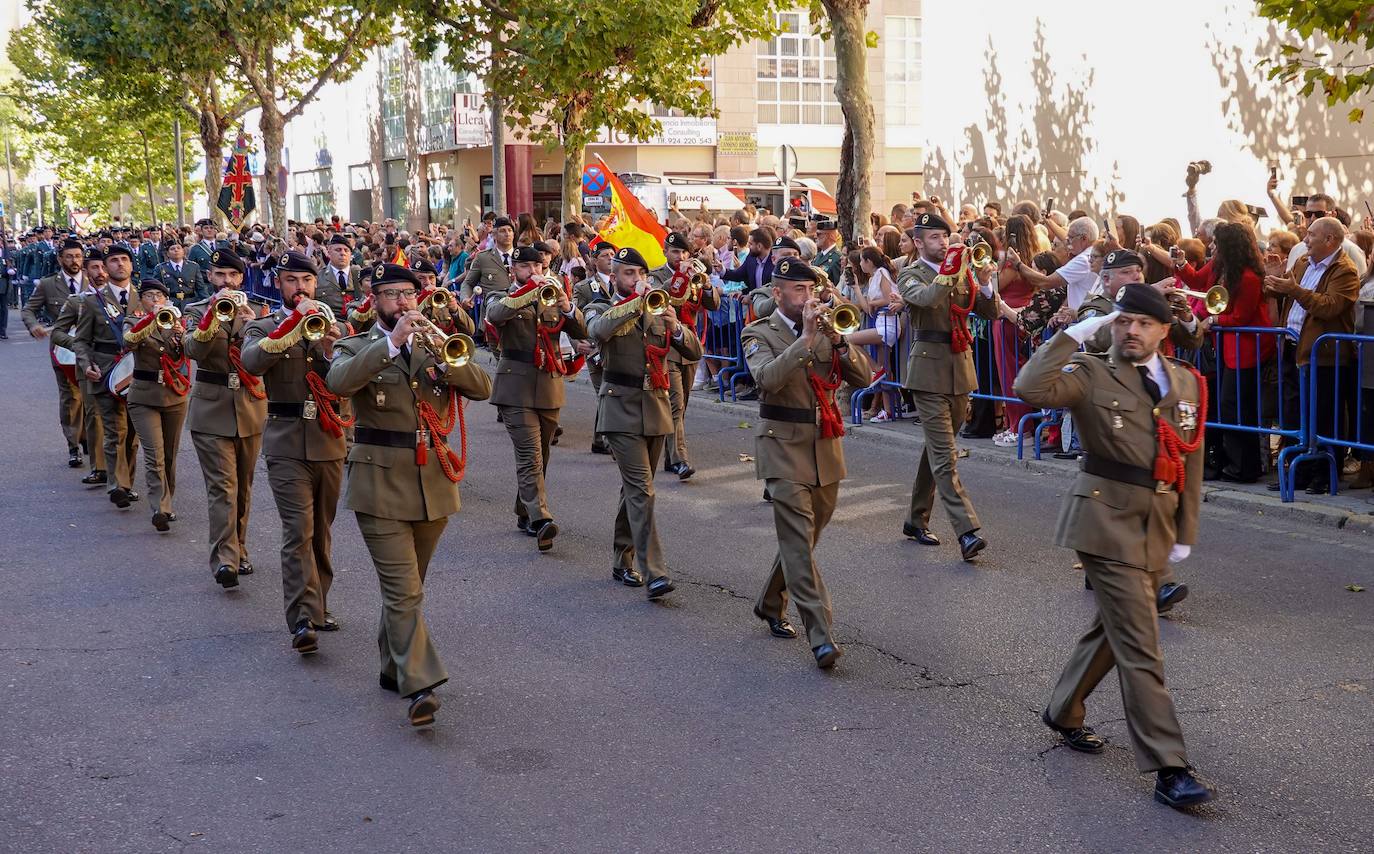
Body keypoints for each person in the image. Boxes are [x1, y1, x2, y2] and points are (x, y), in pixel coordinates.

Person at [1014, 284, 1216, 811]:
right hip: (1104, 521)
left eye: (1143, 323)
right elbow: (1030, 388)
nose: (1131, 330)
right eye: (1123, 321)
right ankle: (1169, 766)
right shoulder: (1089, 371)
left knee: (1116, 627)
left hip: (1158, 522)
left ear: (1163, 330)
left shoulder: (1187, 383)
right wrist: (1072, 333)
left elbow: (1190, 463)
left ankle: (1064, 709)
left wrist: (1185, 534)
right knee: (1141, 641)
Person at [326, 262, 493, 726]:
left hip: (431, 481)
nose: (403, 302)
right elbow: (338, 383)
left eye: (408, 294)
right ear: (374, 299)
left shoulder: (437, 341)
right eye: (392, 294)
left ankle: (390, 664)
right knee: (403, 591)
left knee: (409, 589)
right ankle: (420, 683)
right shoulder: (355, 344)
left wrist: (446, 359)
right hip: (378, 482)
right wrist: (392, 343)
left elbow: (482, 387)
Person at [742, 258, 871, 669]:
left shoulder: (828, 326)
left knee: (805, 539)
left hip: (824, 445)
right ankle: (822, 635)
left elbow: (864, 379)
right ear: (777, 293)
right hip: (781, 445)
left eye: (810, 289)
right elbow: (767, 379)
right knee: (798, 542)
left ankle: (768, 601)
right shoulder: (757, 332)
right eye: (798, 290)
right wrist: (807, 338)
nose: (807, 297)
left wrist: (836, 341)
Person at [240, 251, 349, 656]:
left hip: (328, 438)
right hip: (285, 441)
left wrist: (331, 345)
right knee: (298, 530)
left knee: (322, 529)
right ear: (278, 284)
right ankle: (301, 617)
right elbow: (251, 362)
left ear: (315, 284)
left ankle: (318, 603)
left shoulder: (336, 325)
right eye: (290, 280)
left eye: (305, 281)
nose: (299, 288)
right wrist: (291, 325)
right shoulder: (263, 326)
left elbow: (349, 380)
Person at [586, 247, 702, 597]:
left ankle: (622, 558)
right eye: (628, 274)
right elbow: (598, 331)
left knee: (635, 490)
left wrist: (676, 327)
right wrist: (634, 303)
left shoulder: (657, 308)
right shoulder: (602, 305)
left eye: (640, 274)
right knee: (642, 491)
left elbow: (693, 352)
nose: (636, 280)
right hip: (619, 408)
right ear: (615, 276)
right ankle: (655, 572)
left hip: (656, 408)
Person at [899, 213, 999, 560]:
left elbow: (988, 312)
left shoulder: (959, 270)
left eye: (946, 236)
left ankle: (915, 519)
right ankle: (967, 531)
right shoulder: (910, 274)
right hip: (927, 372)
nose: (943, 243)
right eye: (935, 238)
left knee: (937, 451)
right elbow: (927, 299)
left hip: (960, 367)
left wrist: (984, 283)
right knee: (946, 456)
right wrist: (952, 270)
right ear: (918, 242)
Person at [485, 246, 587, 550]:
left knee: (541, 454)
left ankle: (524, 509)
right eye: (525, 266)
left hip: (549, 383)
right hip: (515, 385)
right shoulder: (501, 295)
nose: (533, 271)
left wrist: (567, 306)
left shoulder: (553, 293)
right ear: (513, 269)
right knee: (529, 454)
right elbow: (495, 315)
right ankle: (541, 519)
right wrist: (530, 290)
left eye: (538, 265)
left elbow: (580, 329)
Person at [183, 249, 268, 590]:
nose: (226, 282)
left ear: (241, 279)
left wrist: (253, 327)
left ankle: (240, 548)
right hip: (210, 408)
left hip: (249, 406)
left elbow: (263, 359)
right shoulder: (194, 312)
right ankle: (224, 559)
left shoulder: (259, 312)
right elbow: (193, 350)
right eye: (219, 276)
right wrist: (214, 319)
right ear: (209, 278)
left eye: (232, 276)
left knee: (243, 487)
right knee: (223, 489)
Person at [1264, 216, 1361, 493]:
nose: (1305, 240)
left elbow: (1330, 306)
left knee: (1324, 415)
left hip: (1324, 355)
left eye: (1311, 235)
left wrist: (1293, 289)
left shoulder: (1345, 270)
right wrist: (1271, 278)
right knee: (1294, 414)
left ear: (1330, 240)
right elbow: (1281, 291)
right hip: (1293, 347)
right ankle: (1298, 470)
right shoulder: (1303, 262)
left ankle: (1325, 473)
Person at [1172, 222, 1273, 483]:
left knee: (1237, 407)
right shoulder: (1220, 267)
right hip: (1228, 347)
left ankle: (1245, 466)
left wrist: (1214, 322)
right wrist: (1181, 263)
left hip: (1247, 348)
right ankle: (1233, 462)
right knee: (1229, 406)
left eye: (1217, 242)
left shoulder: (1249, 277)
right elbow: (1195, 279)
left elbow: (1242, 316)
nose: (1212, 246)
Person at [64, 245, 141, 508]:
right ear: (105, 268)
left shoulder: (144, 298)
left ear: (131, 265)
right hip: (106, 372)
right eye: (113, 261)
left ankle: (127, 482)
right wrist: (86, 365)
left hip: (138, 374)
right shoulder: (92, 300)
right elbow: (81, 341)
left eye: (124, 260)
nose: (120, 264)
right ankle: (117, 485)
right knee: (114, 431)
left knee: (132, 434)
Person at [121, 279, 189, 531]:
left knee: (170, 455)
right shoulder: (133, 321)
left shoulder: (176, 322)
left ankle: (167, 498)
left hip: (173, 395)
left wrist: (181, 334)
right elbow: (128, 342)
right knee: (154, 455)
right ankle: (161, 508)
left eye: (159, 296)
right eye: (149, 296)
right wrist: (151, 319)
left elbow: (185, 353)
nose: (155, 300)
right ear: (141, 300)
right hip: (143, 396)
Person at [23, 237, 88, 468]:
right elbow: (29, 310)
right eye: (69, 256)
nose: (74, 260)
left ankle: (88, 437)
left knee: (92, 394)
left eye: (78, 256)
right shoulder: (48, 284)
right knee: (71, 397)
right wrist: (34, 326)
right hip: (63, 349)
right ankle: (73, 446)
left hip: (92, 347)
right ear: (60, 259)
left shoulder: (95, 280)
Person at [317, 233, 359, 313]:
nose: (343, 253)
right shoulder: (319, 277)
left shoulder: (358, 274)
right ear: (329, 252)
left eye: (346, 250)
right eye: (338, 250)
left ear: (351, 254)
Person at [155, 240, 200, 307]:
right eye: (172, 249)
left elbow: (201, 288)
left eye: (178, 248)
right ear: (167, 253)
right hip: (171, 303)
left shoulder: (193, 267)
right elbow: (156, 289)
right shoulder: (160, 268)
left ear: (183, 251)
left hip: (190, 303)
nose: (176, 250)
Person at [187, 218, 219, 298]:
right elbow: (191, 269)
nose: (209, 230)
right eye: (206, 228)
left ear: (215, 230)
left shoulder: (224, 244)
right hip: (205, 285)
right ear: (201, 231)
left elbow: (244, 252)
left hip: (222, 283)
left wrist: (237, 242)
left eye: (211, 228)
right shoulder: (195, 249)